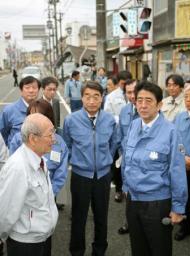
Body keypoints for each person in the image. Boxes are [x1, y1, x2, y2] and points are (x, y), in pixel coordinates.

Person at [123, 81, 188, 256]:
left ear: (159, 105)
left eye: (149, 101)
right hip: (133, 201)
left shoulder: (171, 132)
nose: (143, 105)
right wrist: (125, 188)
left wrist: (178, 208)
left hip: (157, 203)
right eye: (139, 100)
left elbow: (178, 171)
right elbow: (127, 161)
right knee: (138, 249)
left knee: (159, 250)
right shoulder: (134, 125)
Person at [63, 81, 117, 256]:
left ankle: (99, 250)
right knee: (79, 217)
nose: (92, 101)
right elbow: (67, 145)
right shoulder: (71, 120)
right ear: (82, 97)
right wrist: (76, 160)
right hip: (80, 176)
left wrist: (104, 160)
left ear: (102, 98)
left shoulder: (109, 120)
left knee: (101, 216)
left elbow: (113, 144)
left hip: (103, 175)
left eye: (96, 96)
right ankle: (77, 251)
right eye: (88, 96)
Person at [0, 113, 58, 256]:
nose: (54, 139)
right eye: (50, 135)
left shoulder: (38, 158)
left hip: (41, 238)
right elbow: (6, 211)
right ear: (33, 138)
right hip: (26, 245)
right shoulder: (18, 167)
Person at [9, 99, 68, 201]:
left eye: (40, 116)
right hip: (23, 196)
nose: (35, 120)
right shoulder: (18, 139)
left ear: (49, 118)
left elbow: (61, 173)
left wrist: (50, 193)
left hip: (48, 195)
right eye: (31, 116)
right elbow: (12, 170)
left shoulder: (59, 142)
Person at [104, 70, 132, 202]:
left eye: (127, 83)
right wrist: (120, 118)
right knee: (118, 164)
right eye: (122, 83)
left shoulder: (137, 95)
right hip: (117, 134)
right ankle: (119, 190)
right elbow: (107, 115)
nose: (125, 86)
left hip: (132, 136)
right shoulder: (112, 96)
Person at [174, 84, 190, 241]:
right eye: (186, 97)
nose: (188, 100)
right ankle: (185, 227)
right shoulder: (180, 117)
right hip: (182, 166)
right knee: (184, 198)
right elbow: (177, 139)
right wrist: (183, 157)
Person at [117, 79, 138, 235]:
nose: (132, 95)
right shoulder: (124, 110)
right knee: (128, 194)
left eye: (135, 91)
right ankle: (128, 222)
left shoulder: (150, 110)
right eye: (129, 92)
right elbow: (120, 136)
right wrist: (120, 154)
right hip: (126, 161)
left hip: (144, 162)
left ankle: (143, 224)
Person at [0, 76, 41, 148]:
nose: (31, 90)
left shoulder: (44, 109)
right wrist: (10, 147)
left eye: (34, 88)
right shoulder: (9, 110)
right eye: (27, 88)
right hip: (16, 155)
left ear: (38, 90)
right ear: (21, 90)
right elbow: (2, 134)